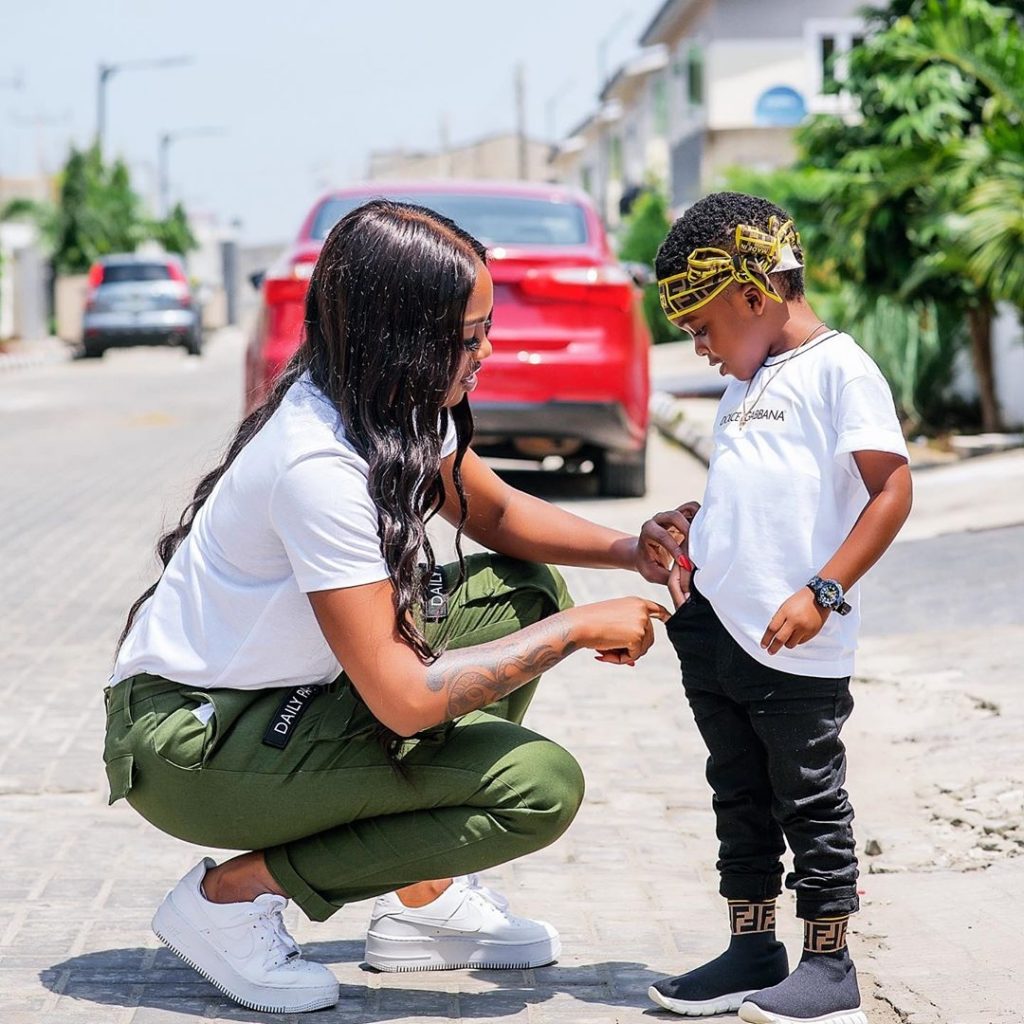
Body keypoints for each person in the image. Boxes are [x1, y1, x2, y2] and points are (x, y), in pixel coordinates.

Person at [103, 200, 672, 1014]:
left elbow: (493, 511)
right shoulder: (317, 467)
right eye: (468, 337)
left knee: (522, 589)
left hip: (281, 697)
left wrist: (629, 549)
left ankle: (423, 899)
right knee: (538, 786)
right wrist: (576, 630)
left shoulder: (388, 402)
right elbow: (404, 700)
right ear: (402, 337)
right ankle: (228, 900)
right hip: (191, 747)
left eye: (485, 329)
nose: (487, 351)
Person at [640, 192, 912, 1024]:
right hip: (716, 631)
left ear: (754, 297)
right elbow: (761, 494)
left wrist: (824, 592)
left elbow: (892, 490)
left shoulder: (840, 369)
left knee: (810, 800)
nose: (700, 348)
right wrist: (693, 532)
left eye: (702, 328)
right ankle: (752, 949)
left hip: (795, 640)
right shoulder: (745, 384)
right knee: (739, 794)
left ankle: (829, 967)